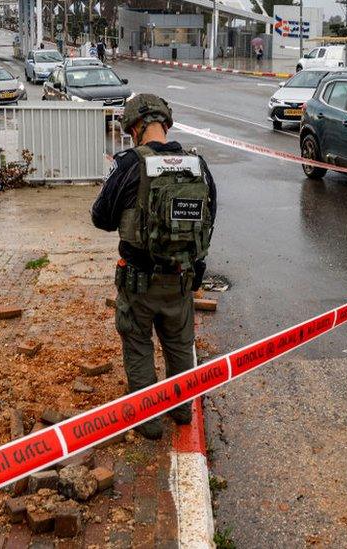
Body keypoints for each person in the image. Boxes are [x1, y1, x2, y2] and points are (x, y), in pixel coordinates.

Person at [91, 94, 218, 440]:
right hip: (180, 280)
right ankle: (181, 411)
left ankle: (148, 423)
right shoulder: (197, 164)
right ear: (165, 123)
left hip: (138, 283)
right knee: (179, 346)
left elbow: (101, 218)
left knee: (138, 346)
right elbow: (209, 218)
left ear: (135, 127)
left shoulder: (129, 163)